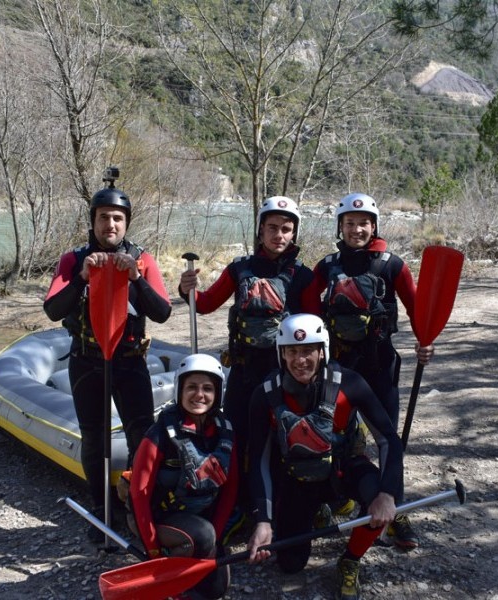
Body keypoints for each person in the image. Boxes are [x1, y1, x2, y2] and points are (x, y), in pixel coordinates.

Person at [302, 192, 433, 549]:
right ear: (340, 227)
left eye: (363, 223)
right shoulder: (326, 267)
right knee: (330, 436)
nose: (357, 229)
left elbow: (418, 309)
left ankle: (395, 506)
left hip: (379, 365)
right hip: (339, 367)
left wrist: (425, 341)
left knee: (389, 438)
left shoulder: (392, 265)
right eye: (349, 223)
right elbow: (310, 315)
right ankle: (329, 499)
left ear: (373, 225)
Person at [43, 176, 172, 540]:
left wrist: (136, 279)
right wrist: (82, 278)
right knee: (94, 439)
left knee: (142, 436)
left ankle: (137, 501)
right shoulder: (73, 260)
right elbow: (53, 309)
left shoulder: (143, 259)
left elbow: (161, 313)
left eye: (117, 218)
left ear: (126, 222)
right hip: (87, 361)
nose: (110, 225)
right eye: (103, 218)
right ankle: (101, 510)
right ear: (93, 221)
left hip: (130, 361)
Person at [178, 196, 313, 529]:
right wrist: (187, 290)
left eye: (286, 229)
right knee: (235, 435)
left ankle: (275, 503)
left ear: (294, 234)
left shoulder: (303, 276)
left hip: (282, 374)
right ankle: (235, 504)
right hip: (243, 369)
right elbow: (205, 304)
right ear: (260, 230)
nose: (278, 235)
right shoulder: (240, 269)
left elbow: (314, 327)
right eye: (272, 228)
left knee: (278, 438)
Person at [246, 314, 403, 600]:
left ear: (322, 351)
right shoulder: (265, 395)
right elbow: (257, 460)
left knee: (381, 497)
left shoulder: (350, 384)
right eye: (291, 352)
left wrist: (388, 493)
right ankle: (317, 510)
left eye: (308, 351)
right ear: (281, 353)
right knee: (290, 565)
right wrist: (263, 521)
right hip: (297, 480)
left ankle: (351, 559)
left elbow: (388, 439)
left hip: (344, 471)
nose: (300, 360)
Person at [129, 353, 238, 600]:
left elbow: (231, 490)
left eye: (207, 388)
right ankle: (174, 574)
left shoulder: (225, 432)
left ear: (218, 393)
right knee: (202, 536)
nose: (199, 395)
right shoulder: (158, 434)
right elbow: (139, 495)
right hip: (157, 515)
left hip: (200, 519)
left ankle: (196, 555)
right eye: (192, 387)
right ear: (179, 389)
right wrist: (153, 549)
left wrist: (217, 538)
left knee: (215, 589)